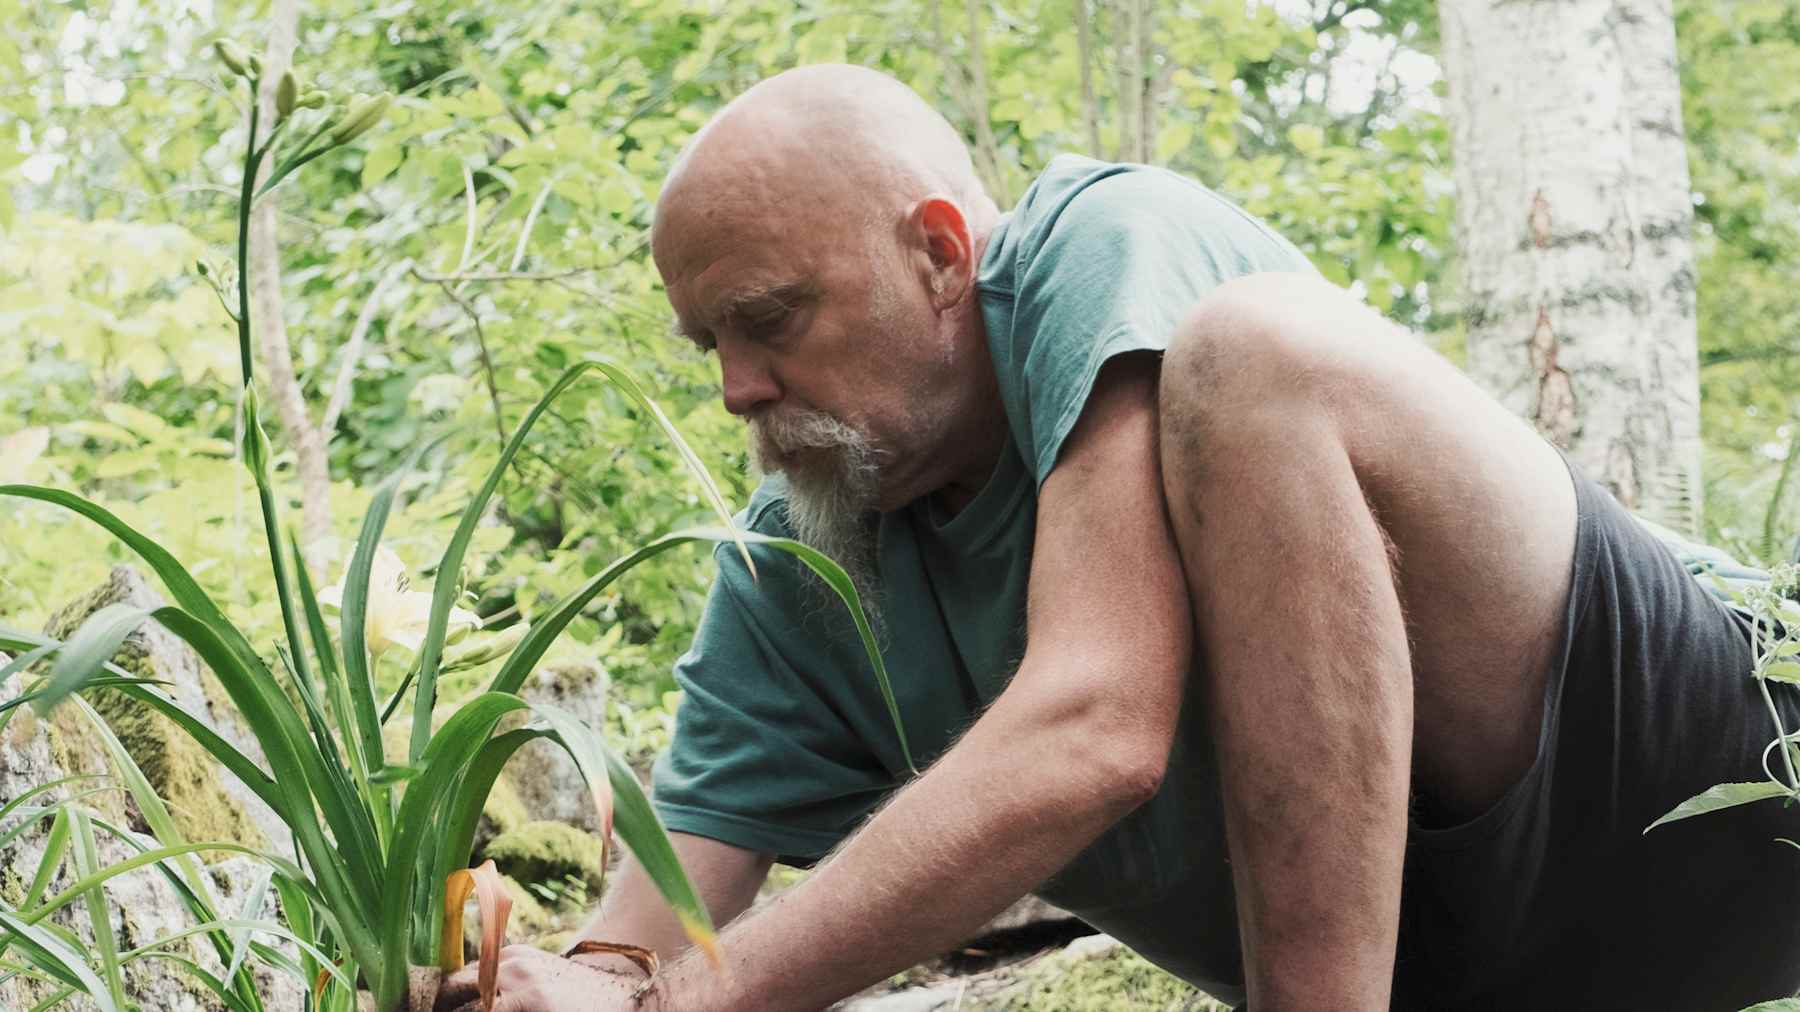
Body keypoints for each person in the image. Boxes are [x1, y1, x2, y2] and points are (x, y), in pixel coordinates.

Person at [439, 64, 1800, 1011]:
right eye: (710, 345)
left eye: (772, 318)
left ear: (939, 251)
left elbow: (1098, 731)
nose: (737, 386)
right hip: (1499, 972)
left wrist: (683, 1004)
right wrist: (557, 981)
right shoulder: (801, 559)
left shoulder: (1103, 244)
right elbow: (644, 939)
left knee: (1257, 355)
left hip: (1721, 770)